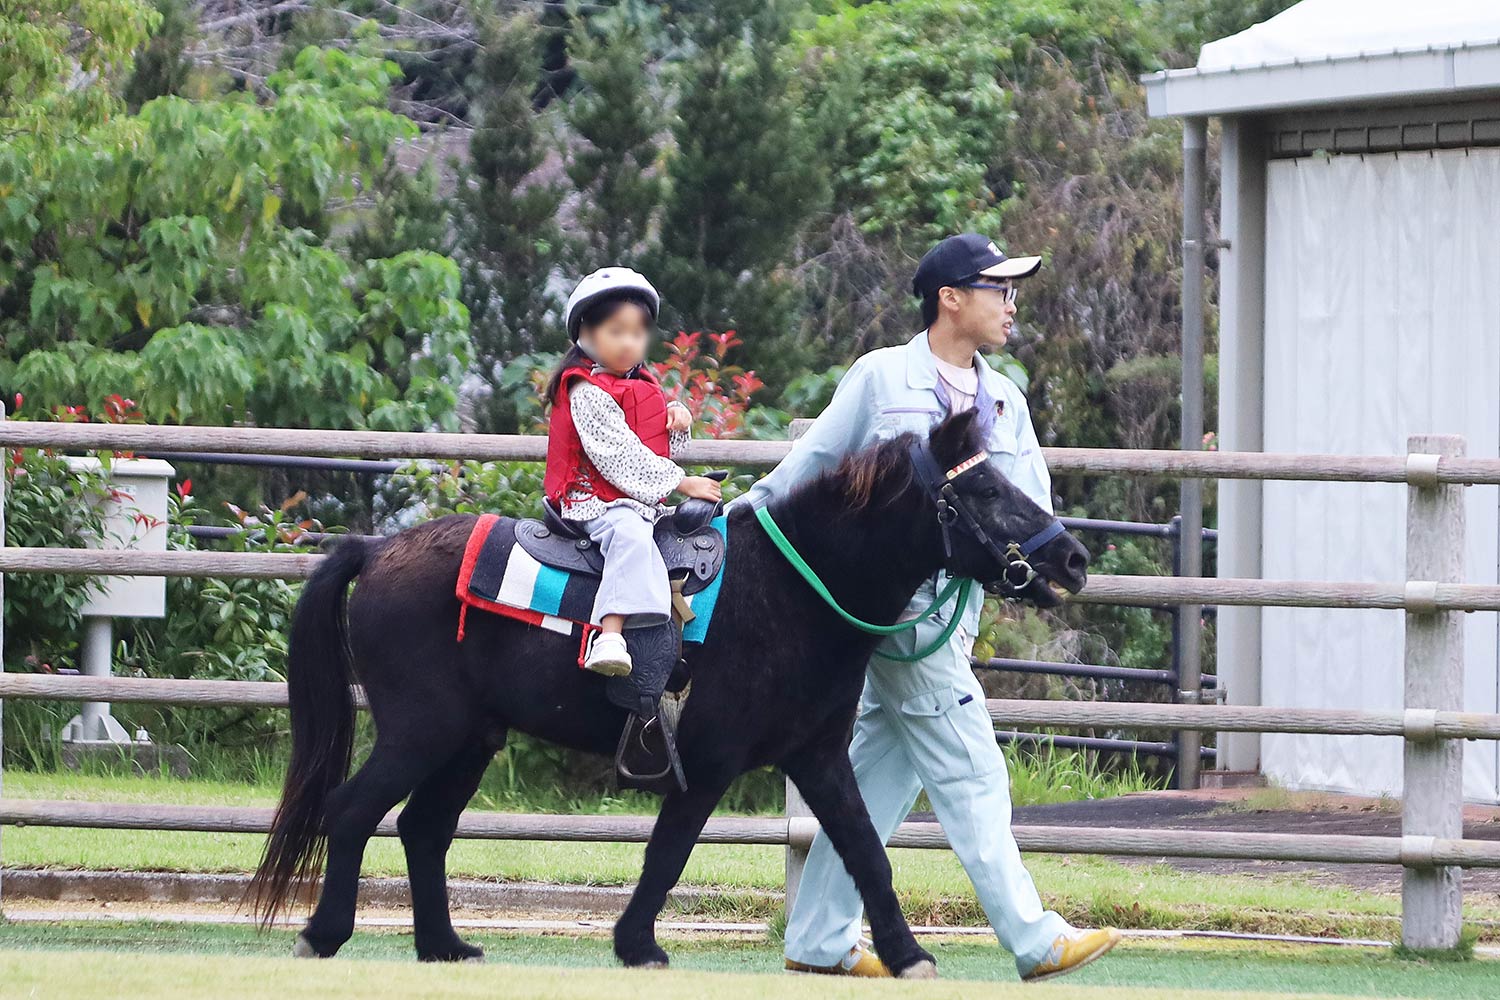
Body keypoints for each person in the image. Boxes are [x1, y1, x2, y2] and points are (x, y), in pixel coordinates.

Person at [737, 234, 1120, 982]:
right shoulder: (882, 377)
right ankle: (1034, 938)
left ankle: (817, 938)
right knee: (972, 770)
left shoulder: (1005, 398)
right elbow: (814, 462)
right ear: (950, 297)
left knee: (878, 774)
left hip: (960, 610)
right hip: (892, 613)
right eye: (998, 289)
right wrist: (736, 526)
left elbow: (1025, 500)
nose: (1011, 304)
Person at [542, 267, 722, 676]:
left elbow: (655, 445)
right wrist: (682, 482)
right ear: (586, 334)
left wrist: (675, 419)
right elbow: (619, 456)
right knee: (630, 535)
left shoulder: (640, 384)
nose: (629, 343)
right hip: (594, 500)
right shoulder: (585, 391)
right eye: (616, 331)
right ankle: (610, 635)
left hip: (632, 495)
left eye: (638, 333)